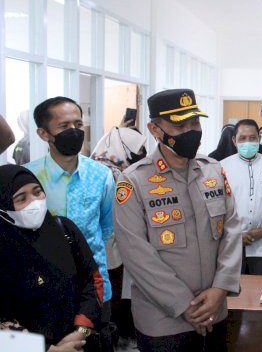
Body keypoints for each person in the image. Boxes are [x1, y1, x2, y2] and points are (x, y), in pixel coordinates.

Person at [114, 89, 243, 352]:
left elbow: (231, 231)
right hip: (163, 320)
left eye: (194, 123)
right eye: (179, 125)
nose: (190, 131)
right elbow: (136, 253)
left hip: (215, 309)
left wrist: (220, 289)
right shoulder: (133, 180)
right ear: (154, 129)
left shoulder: (214, 170)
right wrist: (185, 305)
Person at [24, 96, 115, 350]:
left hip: (97, 290)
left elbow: (106, 227)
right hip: (45, 294)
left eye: (78, 124)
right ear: (44, 134)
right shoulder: (28, 178)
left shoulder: (102, 175)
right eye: (64, 126)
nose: (74, 131)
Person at [0, 165, 103, 352]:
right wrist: (48, 349)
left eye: (37, 192)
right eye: (21, 198)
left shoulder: (65, 229)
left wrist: (81, 331)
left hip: (80, 342)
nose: (34, 202)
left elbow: (92, 280)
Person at [91, 125, 147, 347]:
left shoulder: (122, 170)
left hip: (120, 243)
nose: (142, 154)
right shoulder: (106, 174)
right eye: (139, 149)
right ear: (125, 148)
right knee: (111, 291)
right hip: (107, 245)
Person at [221, 119, 262, 275]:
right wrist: (235, 234)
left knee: (261, 290)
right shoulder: (222, 167)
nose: (248, 142)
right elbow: (219, 204)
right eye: (242, 138)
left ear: (259, 138)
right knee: (233, 292)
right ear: (234, 141)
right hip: (232, 241)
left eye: (252, 138)